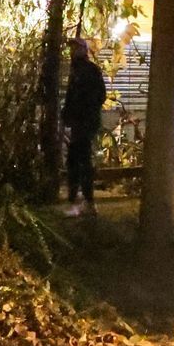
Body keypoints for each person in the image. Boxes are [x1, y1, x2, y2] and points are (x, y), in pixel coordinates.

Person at [62, 38, 108, 215]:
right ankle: (84, 200)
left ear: (82, 50)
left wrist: (81, 112)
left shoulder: (88, 71)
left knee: (78, 160)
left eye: (74, 48)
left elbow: (98, 96)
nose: (72, 51)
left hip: (84, 123)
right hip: (81, 123)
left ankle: (82, 200)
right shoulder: (78, 70)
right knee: (79, 160)